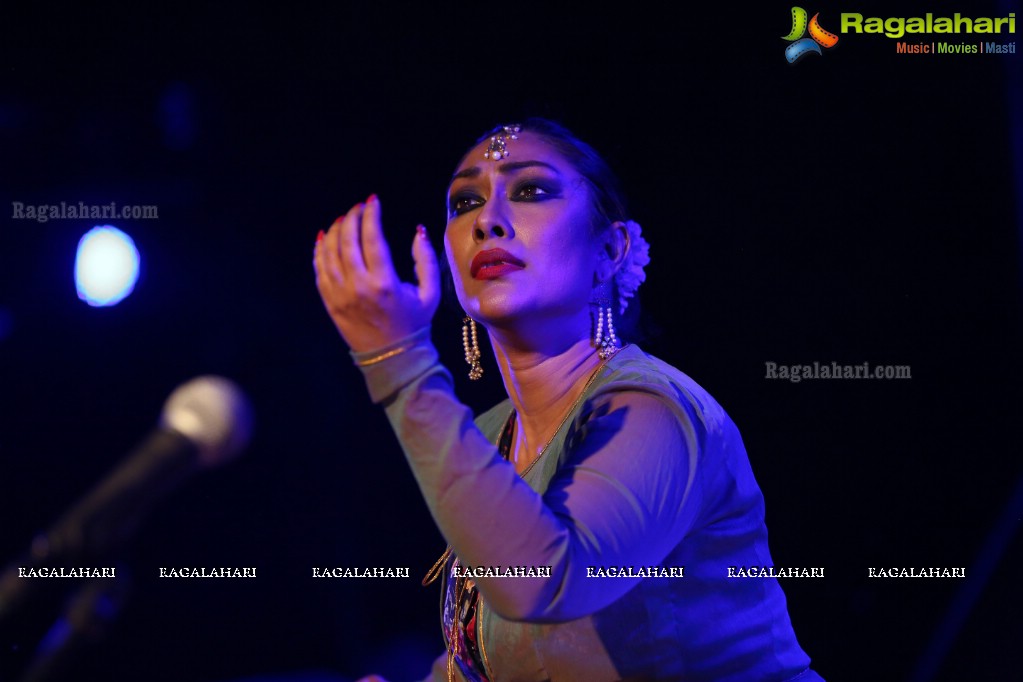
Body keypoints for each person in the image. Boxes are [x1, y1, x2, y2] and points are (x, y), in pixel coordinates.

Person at [312, 119, 823, 682]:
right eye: (465, 201)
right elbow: (511, 656)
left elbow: (544, 584)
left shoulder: (653, 411)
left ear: (609, 249)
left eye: (529, 190)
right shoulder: (489, 434)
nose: (487, 220)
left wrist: (401, 363)